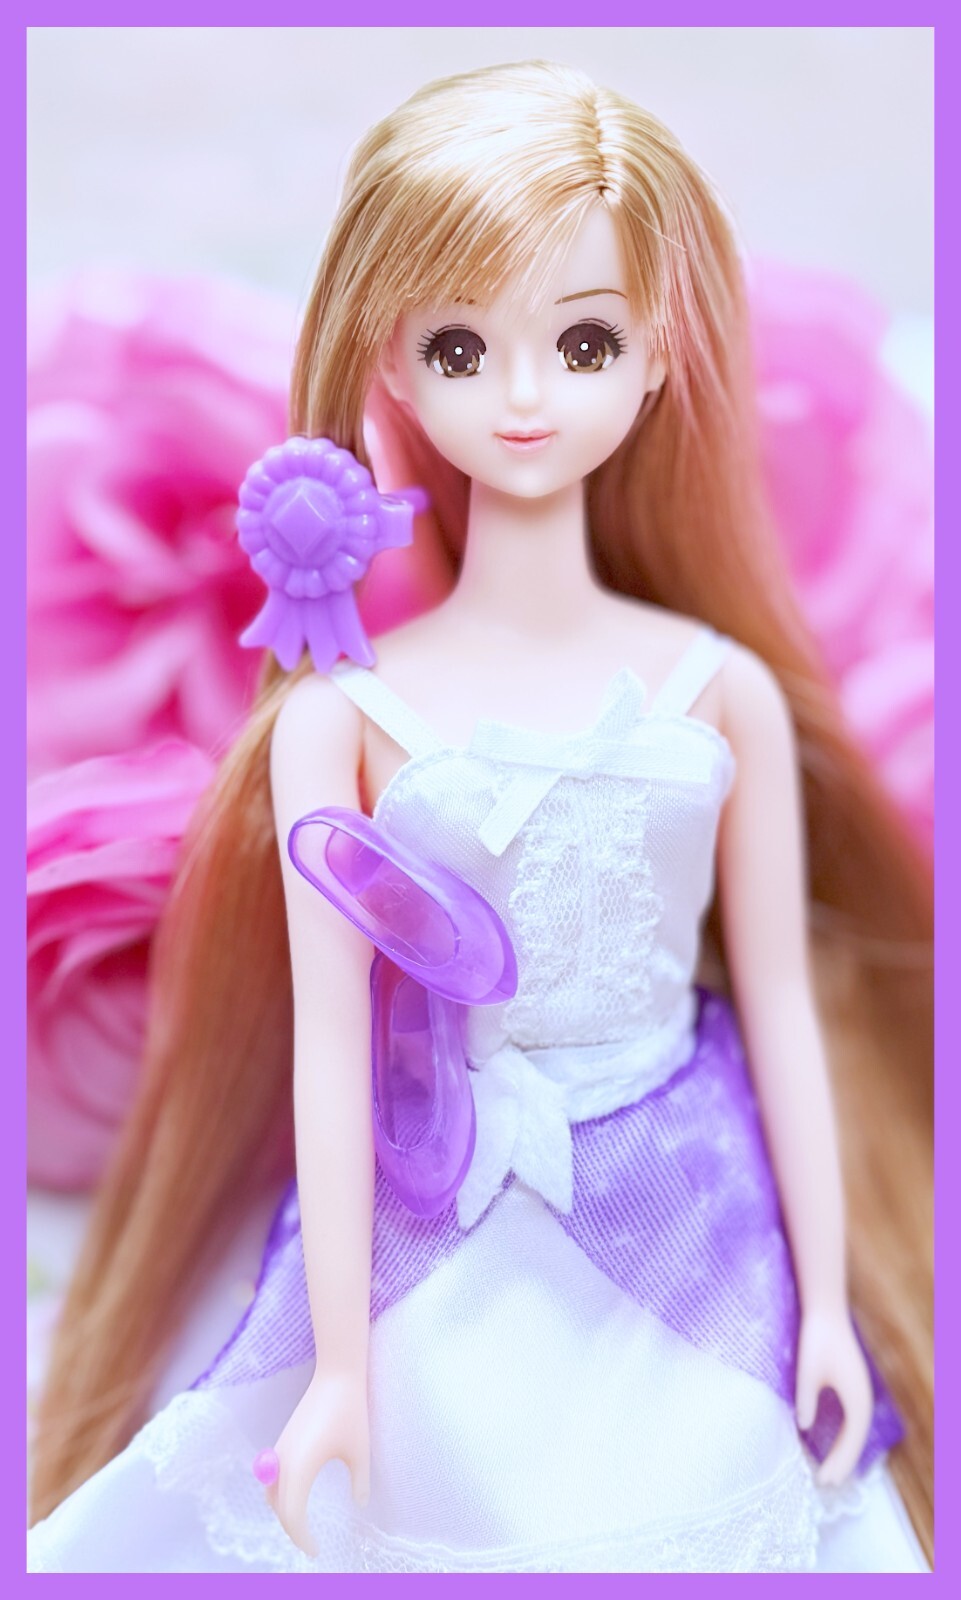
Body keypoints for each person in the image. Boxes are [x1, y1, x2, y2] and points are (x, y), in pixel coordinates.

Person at [27, 60, 932, 1573]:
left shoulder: (721, 694)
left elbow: (779, 1003)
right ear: (393, 364)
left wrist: (829, 1308)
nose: (523, 397)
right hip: (433, 1220)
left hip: (686, 1227)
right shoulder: (340, 718)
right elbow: (329, 1047)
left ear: (658, 353)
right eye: (462, 345)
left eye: (582, 342)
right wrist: (335, 1363)